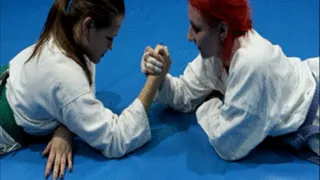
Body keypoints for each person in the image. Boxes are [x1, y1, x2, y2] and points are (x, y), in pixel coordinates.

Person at [0, 0, 171, 179]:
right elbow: (118, 138)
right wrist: (155, 79)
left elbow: (74, 98)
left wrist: (66, 127)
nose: (111, 47)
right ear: (87, 25)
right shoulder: (67, 78)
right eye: (109, 38)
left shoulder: (67, 30)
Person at [141, 0, 319, 164]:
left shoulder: (252, 63)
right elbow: (184, 94)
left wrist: (209, 101)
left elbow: (228, 144)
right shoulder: (217, 52)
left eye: (196, 28)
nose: (189, 36)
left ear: (223, 30)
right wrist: (159, 77)